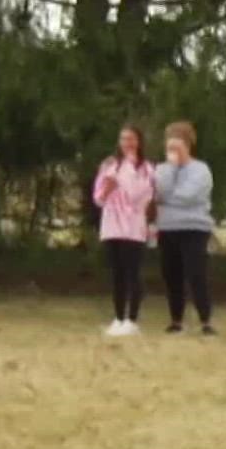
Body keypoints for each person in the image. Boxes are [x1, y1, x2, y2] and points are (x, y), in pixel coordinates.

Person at [153, 120, 216, 335]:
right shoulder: (161, 169)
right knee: (172, 274)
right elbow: (158, 194)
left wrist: (168, 197)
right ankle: (176, 320)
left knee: (196, 273)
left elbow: (189, 196)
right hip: (167, 227)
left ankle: (205, 320)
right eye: (169, 148)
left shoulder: (201, 170)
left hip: (194, 228)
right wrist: (171, 169)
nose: (173, 152)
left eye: (177, 148)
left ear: (187, 146)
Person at [94, 124, 154, 337]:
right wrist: (107, 188)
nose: (127, 143)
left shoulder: (146, 168)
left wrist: (128, 168)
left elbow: (140, 197)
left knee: (133, 274)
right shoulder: (110, 165)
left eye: (131, 139)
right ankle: (118, 318)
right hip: (112, 227)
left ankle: (132, 319)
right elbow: (98, 198)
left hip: (134, 228)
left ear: (138, 142)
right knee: (117, 275)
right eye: (123, 139)